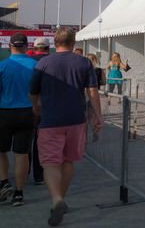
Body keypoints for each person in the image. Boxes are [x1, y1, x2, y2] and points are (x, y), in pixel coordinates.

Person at [29, 27, 102, 226]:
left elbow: (33, 91)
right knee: (68, 161)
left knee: (50, 163)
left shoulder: (43, 63)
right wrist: (98, 116)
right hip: (76, 120)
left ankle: (56, 199)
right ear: (73, 42)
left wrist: (35, 106)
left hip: (50, 120)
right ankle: (61, 197)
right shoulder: (84, 62)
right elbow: (93, 92)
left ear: (55, 42)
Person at [0, 33, 37, 207]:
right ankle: (19, 193)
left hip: (4, 112)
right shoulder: (35, 66)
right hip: (27, 113)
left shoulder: (2, 66)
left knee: (1, 151)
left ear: (10, 46)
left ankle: (4, 182)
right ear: (27, 46)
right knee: (22, 154)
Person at [27, 37, 50, 187]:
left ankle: (23, 173)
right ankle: (39, 176)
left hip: (27, 106)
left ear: (34, 48)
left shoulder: (27, 62)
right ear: (48, 48)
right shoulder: (51, 62)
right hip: (46, 108)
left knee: (25, 142)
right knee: (40, 143)